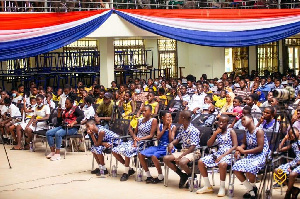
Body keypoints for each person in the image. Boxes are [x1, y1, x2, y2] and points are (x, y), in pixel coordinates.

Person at [112, 105, 157, 181]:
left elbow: (151, 135)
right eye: (142, 111)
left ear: (150, 112)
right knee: (114, 150)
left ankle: (126, 173)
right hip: (136, 141)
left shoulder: (153, 120)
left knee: (128, 150)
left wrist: (139, 139)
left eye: (145, 111)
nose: (143, 112)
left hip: (145, 142)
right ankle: (129, 169)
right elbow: (135, 133)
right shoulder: (140, 120)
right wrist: (133, 136)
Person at [197, 115, 237, 197]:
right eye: (220, 121)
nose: (221, 123)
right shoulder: (217, 132)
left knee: (222, 164)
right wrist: (215, 134)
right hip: (218, 153)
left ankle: (222, 187)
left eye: (224, 121)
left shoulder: (231, 131)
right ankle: (207, 186)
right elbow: (209, 144)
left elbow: (235, 146)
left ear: (227, 123)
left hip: (228, 154)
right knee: (201, 161)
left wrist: (223, 156)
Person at [232, 114, 270, 199]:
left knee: (250, 168)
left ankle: (252, 192)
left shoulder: (259, 131)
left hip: (261, 155)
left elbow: (260, 148)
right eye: (241, 121)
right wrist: (239, 150)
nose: (242, 121)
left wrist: (243, 151)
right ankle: (251, 189)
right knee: (236, 167)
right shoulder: (247, 132)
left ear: (251, 119)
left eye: (244, 119)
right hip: (251, 155)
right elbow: (244, 144)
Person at [163, 110, 200, 188]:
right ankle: (182, 175)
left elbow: (193, 147)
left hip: (194, 152)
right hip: (184, 151)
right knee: (166, 158)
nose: (178, 118)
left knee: (182, 162)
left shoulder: (193, 130)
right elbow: (177, 139)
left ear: (183, 118)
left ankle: (192, 176)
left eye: (179, 116)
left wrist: (181, 156)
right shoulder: (182, 128)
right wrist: (172, 143)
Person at [138, 111, 176, 184]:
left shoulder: (173, 127)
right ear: (163, 118)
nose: (169, 118)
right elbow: (158, 137)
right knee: (141, 154)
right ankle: (148, 175)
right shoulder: (160, 126)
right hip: (159, 146)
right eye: (167, 117)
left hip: (168, 148)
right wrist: (164, 128)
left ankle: (160, 176)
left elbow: (171, 139)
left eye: (170, 117)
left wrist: (169, 128)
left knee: (154, 156)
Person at [46, 95, 84, 161]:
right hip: (63, 126)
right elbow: (59, 121)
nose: (65, 105)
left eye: (67, 103)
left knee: (58, 134)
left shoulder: (75, 109)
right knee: (48, 133)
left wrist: (73, 123)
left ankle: (57, 154)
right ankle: (53, 151)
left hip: (73, 128)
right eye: (65, 103)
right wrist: (59, 113)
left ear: (72, 103)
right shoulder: (65, 110)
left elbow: (82, 116)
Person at [274, 128, 300, 199]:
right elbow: (279, 149)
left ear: (299, 131)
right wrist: (285, 138)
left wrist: (293, 166)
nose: (292, 135)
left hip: (298, 163)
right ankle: (293, 189)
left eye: (293, 133)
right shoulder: (293, 144)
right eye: (290, 135)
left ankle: (288, 191)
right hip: (295, 161)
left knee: (292, 174)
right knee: (277, 171)